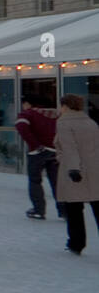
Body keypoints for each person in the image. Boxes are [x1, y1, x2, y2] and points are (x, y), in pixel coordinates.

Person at [54, 94, 99, 255]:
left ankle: (76, 242)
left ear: (65, 106)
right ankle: (76, 242)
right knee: (96, 203)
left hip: (74, 169)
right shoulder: (90, 122)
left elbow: (69, 147)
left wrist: (73, 168)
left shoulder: (64, 122)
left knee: (74, 208)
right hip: (94, 169)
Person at [16, 93, 62, 221]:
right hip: (55, 151)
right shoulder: (57, 115)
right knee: (57, 182)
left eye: (24, 103)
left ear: (29, 104)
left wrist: (35, 144)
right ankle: (64, 210)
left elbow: (21, 126)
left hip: (37, 153)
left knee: (35, 181)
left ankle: (38, 210)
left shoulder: (29, 114)